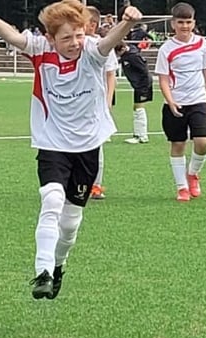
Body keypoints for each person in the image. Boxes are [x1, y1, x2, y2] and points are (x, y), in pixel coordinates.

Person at [0, 0, 142, 300]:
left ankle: (58, 266)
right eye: (66, 38)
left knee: (70, 222)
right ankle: (43, 271)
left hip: (87, 146)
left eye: (79, 35)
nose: (74, 43)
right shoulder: (40, 49)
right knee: (51, 199)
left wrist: (127, 23)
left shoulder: (91, 51)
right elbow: (13, 37)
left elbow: (107, 42)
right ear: (50, 38)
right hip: (52, 143)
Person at [155, 2, 206, 202]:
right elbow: (163, 78)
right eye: (180, 22)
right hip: (176, 103)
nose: (185, 26)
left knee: (202, 142)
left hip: (197, 100)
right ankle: (181, 187)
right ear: (173, 24)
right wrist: (170, 101)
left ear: (194, 23)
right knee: (178, 145)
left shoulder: (201, 43)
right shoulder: (166, 49)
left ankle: (193, 174)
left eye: (188, 22)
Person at [84, 5, 119, 200]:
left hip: (96, 103)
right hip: (77, 101)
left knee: (96, 143)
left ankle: (95, 184)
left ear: (92, 25)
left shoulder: (102, 45)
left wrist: (108, 100)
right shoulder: (76, 43)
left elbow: (110, 75)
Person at [115, 42, 152, 144]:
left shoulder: (133, 57)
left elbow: (144, 69)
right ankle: (138, 134)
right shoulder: (128, 54)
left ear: (122, 49)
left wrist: (141, 85)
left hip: (143, 84)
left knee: (139, 108)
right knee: (137, 108)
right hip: (139, 85)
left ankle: (142, 136)